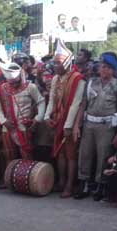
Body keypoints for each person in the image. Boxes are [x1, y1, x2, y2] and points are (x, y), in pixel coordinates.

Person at [74, 53, 117, 201]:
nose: (103, 70)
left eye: (107, 67)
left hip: (106, 125)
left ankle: (101, 184)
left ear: (113, 70)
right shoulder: (91, 82)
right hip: (89, 123)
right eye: (101, 67)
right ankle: (84, 183)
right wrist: (77, 125)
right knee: (85, 154)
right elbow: (83, 105)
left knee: (103, 155)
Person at [45, 40, 85, 198]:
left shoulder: (78, 79)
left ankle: (69, 185)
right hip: (56, 120)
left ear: (68, 63)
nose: (55, 66)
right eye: (54, 63)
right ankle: (61, 182)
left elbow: (76, 104)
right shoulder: (55, 79)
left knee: (70, 155)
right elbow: (51, 100)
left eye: (58, 63)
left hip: (69, 122)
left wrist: (68, 126)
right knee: (60, 154)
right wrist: (47, 116)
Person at [0, 62, 46, 160]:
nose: (14, 85)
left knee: (27, 157)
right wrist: (3, 121)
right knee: (10, 158)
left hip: (24, 128)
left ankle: (27, 175)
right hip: (8, 128)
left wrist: (38, 118)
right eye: (11, 83)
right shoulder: (2, 89)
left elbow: (41, 101)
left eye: (16, 82)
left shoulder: (30, 87)